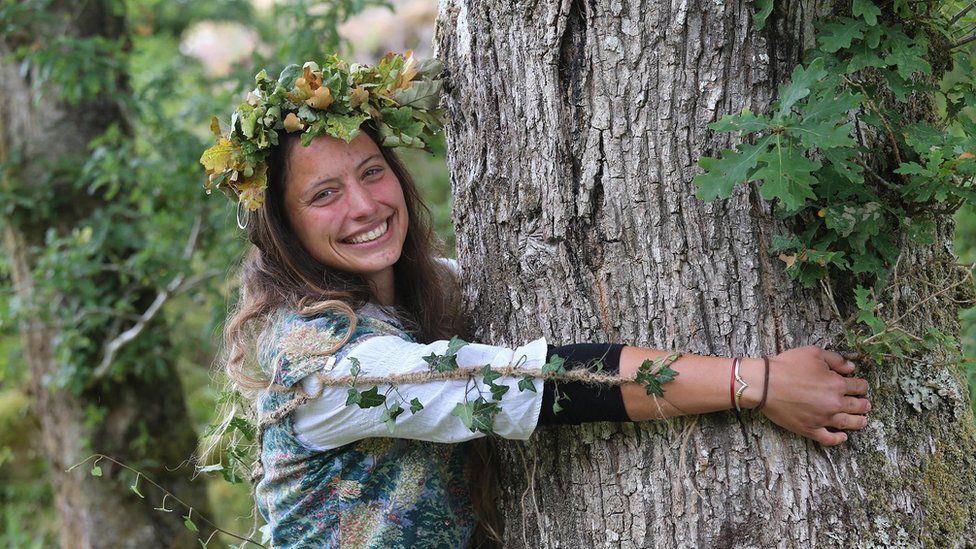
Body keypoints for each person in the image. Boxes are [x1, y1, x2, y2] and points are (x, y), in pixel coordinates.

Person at [203, 53, 871, 548]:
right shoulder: (331, 366)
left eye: (372, 172)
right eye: (324, 194)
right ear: (284, 227)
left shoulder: (417, 290)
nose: (365, 205)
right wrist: (756, 381)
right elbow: (537, 382)